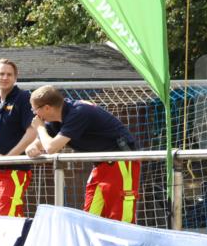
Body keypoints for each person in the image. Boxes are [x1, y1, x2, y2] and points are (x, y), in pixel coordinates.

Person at [27, 85, 141, 223]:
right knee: (90, 217)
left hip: (120, 162)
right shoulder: (57, 119)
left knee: (120, 216)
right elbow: (41, 143)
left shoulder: (78, 112)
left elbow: (51, 148)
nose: (35, 115)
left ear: (47, 108)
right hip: (101, 165)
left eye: (35, 109)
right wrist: (32, 147)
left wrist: (40, 128)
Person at [0, 59, 35, 217]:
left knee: (5, 217)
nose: (5, 77)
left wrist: (8, 157)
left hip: (14, 171)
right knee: (10, 217)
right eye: (1, 73)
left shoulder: (24, 98)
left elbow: (32, 132)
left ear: (15, 78)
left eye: (9, 74)